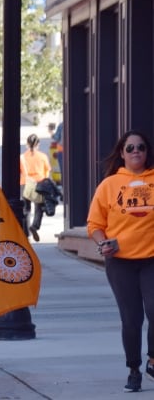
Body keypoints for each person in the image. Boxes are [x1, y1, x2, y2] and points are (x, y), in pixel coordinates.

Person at [87, 130, 154, 393]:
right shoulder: (109, 185)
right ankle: (134, 369)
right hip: (121, 262)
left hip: (152, 259)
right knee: (131, 318)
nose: (136, 151)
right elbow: (94, 224)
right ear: (122, 154)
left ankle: (152, 360)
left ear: (147, 152)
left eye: (141, 147)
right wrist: (102, 242)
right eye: (130, 148)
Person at [20, 134, 51, 242]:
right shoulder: (43, 156)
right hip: (39, 183)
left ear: (27, 144)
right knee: (39, 209)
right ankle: (35, 226)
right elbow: (47, 172)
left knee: (26, 209)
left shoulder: (22, 157)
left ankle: (26, 233)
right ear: (38, 144)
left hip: (25, 184)